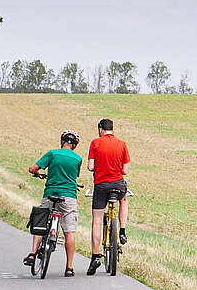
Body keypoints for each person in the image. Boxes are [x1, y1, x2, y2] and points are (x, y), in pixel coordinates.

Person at [23, 130, 82, 277]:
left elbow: (33, 168)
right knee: (69, 231)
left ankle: (32, 253)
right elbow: (73, 176)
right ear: (74, 145)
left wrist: (37, 173)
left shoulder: (53, 153)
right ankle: (69, 267)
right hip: (68, 197)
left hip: (50, 193)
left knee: (41, 223)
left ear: (62, 141)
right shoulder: (77, 159)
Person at [86, 118, 131, 276]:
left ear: (100, 129)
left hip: (101, 185)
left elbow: (90, 166)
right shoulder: (122, 143)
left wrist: (100, 167)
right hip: (118, 184)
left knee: (97, 220)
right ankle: (123, 230)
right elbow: (125, 170)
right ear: (112, 129)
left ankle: (95, 257)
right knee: (124, 200)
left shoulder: (95, 143)